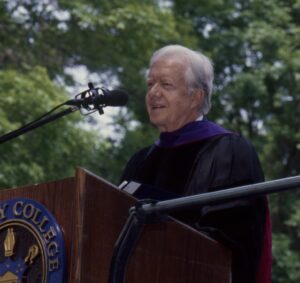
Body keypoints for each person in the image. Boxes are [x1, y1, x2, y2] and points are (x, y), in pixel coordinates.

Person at [120, 45, 272, 283]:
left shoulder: (229, 151)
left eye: (166, 84)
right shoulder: (140, 161)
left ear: (196, 96)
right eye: (150, 84)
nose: (154, 93)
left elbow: (230, 240)